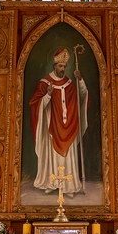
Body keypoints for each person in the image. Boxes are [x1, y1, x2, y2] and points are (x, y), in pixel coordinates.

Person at [29, 47, 88, 196]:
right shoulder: (44, 83)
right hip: (52, 127)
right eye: (60, 66)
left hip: (69, 126)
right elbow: (35, 105)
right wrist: (48, 95)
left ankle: (69, 186)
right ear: (54, 65)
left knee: (68, 157)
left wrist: (80, 80)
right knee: (52, 156)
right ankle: (52, 183)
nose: (62, 69)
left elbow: (82, 96)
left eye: (64, 66)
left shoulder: (70, 83)